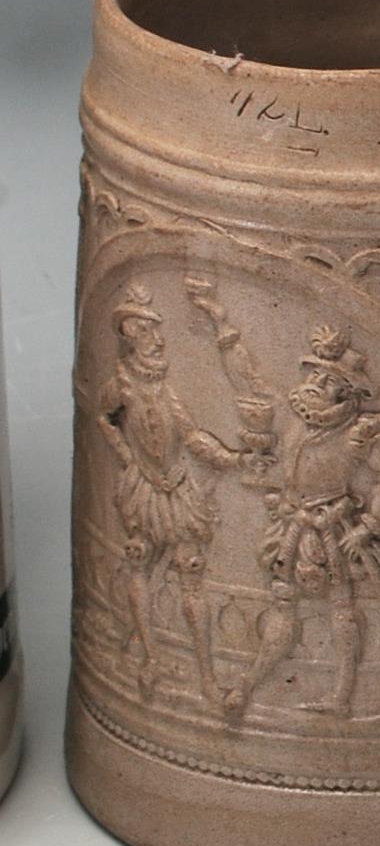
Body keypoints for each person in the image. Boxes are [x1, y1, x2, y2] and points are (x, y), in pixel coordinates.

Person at [223, 324, 380, 720]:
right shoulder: (296, 421)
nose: (316, 383)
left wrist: (369, 525)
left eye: (329, 380)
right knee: (282, 605)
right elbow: (247, 378)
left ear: (348, 393)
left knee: (343, 610)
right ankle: (249, 684)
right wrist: (223, 326)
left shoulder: (361, 433)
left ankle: (342, 697)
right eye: (314, 375)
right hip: (294, 527)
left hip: (334, 530)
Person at [95, 285, 250, 699]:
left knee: (190, 573)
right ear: (130, 331)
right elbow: (105, 419)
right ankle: (150, 656)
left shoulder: (164, 387)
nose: (157, 339)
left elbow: (191, 434)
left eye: (157, 331)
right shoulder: (122, 384)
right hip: (143, 489)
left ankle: (207, 680)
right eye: (147, 331)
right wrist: (127, 457)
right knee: (140, 561)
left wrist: (229, 459)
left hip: (177, 488)